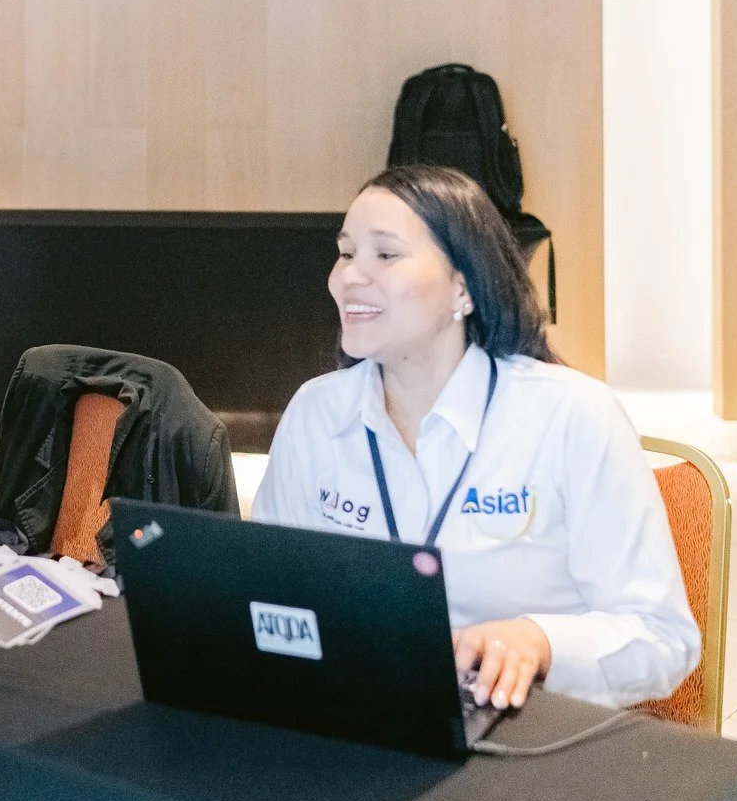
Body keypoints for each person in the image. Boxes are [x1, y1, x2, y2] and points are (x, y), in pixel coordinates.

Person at [252, 165, 698, 711]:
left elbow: (662, 641)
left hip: (523, 727)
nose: (348, 277)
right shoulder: (316, 412)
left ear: (462, 287)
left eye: (385, 255)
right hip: (358, 717)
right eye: (346, 253)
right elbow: (269, 598)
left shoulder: (571, 416)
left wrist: (537, 641)